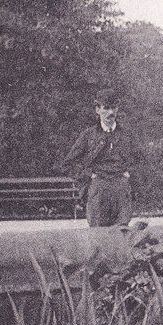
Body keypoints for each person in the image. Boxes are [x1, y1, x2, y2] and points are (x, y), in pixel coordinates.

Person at [64, 89, 135, 228]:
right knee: (98, 234)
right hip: (98, 188)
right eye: (106, 108)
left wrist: (129, 175)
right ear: (97, 110)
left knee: (121, 233)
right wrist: (89, 175)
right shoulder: (89, 135)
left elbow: (141, 161)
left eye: (114, 107)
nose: (110, 113)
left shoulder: (127, 135)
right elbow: (69, 163)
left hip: (121, 187)